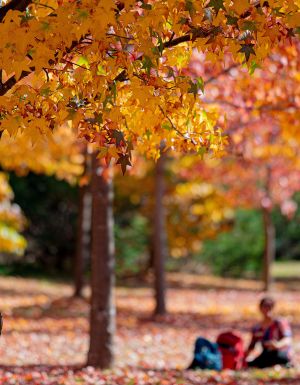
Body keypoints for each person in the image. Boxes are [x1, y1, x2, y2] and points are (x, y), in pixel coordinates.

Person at [245, 296, 293, 368]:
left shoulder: (279, 322)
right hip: (266, 354)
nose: (267, 309)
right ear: (260, 308)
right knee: (251, 364)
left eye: (270, 307)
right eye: (265, 306)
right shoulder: (257, 328)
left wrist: (277, 345)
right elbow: (252, 346)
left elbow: (288, 339)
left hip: (281, 352)